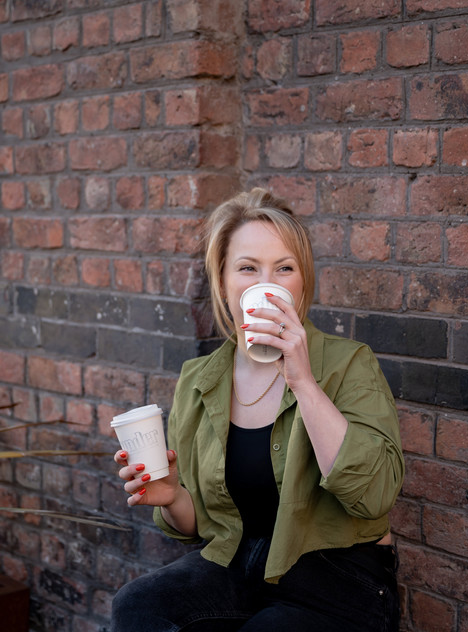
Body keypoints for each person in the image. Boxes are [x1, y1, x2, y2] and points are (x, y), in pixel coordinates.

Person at [111, 187, 405, 632]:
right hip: (241, 561)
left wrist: (304, 381)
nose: (265, 284)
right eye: (247, 268)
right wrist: (171, 496)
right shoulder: (200, 379)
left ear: (301, 282)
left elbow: (375, 497)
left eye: (284, 268)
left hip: (338, 574)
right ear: (224, 282)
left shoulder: (349, 363)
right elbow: (198, 525)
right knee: (137, 605)